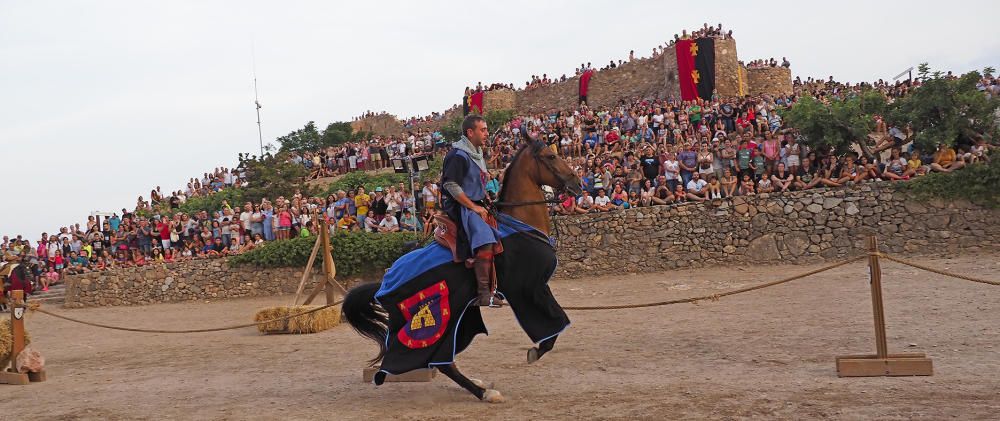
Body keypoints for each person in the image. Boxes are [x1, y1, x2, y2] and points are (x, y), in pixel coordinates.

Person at [441, 115, 505, 307]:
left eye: (486, 129)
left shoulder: (475, 153)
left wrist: (485, 198)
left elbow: (476, 182)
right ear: (470, 132)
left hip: (476, 202)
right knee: (485, 239)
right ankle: (483, 294)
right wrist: (474, 207)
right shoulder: (458, 155)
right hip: (460, 206)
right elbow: (451, 185)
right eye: (483, 130)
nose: (487, 134)